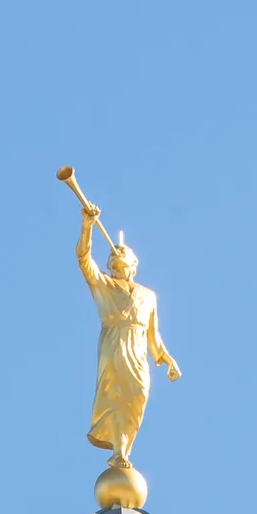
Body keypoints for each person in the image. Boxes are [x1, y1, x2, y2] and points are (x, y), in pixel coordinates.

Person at [75, 197, 180, 471]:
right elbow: (84, 260)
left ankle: (124, 446)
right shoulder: (105, 286)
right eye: (113, 253)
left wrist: (167, 359)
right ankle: (119, 450)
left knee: (138, 395)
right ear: (110, 265)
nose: (117, 253)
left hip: (137, 348)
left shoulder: (148, 295)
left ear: (133, 264)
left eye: (123, 252)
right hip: (114, 341)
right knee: (115, 393)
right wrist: (87, 226)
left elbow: (152, 335)